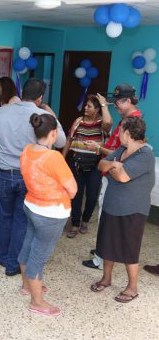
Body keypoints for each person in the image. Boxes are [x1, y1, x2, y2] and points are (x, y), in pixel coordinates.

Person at [0, 78, 66, 276]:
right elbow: (61, 141)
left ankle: (1, 255)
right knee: (21, 219)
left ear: (22, 92)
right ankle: (13, 264)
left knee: (4, 216)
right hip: (30, 176)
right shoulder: (43, 115)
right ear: (40, 98)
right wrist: (52, 114)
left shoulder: (1, 112)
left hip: (5, 173)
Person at [90, 117, 154, 303]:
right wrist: (114, 165)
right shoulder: (122, 149)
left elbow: (122, 177)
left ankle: (132, 288)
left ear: (127, 133)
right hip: (112, 205)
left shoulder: (145, 155)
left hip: (133, 210)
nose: (118, 134)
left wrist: (115, 167)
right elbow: (101, 165)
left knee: (129, 250)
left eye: (120, 131)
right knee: (106, 245)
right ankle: (106, 278)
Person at [19, 113, 77, 316]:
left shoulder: (27, 150)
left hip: (31, 206)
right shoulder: (53, 157)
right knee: (38, 256)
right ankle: (37, 302)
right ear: (53, 133)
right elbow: (73, 190)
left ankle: (27, 286)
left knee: (28, 246)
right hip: (50, 213)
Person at [82, 84, 142, 270]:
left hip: (114, 175)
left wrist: (99, 148)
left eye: (117, 101)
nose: (114, 105)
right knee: (105, 217)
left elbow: (120, 153)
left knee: (105, 218)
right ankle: (103, 252)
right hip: (110, 173)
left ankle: (101, 260)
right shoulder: (128, 119)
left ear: (127, 101)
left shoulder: (131, 122)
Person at [62, 94, 112, 238]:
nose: (85, 108)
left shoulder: (102, 124)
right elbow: (69, 139)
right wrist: (62, 158)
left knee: (91, 196)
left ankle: (85, 221)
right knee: (76, 195)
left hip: (95, 165)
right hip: (76, 163)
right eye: (85, 105)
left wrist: (103, 105)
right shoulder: (78, 121)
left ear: (97, 109)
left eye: (89, 106)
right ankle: (75, 224)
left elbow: (108, 123)